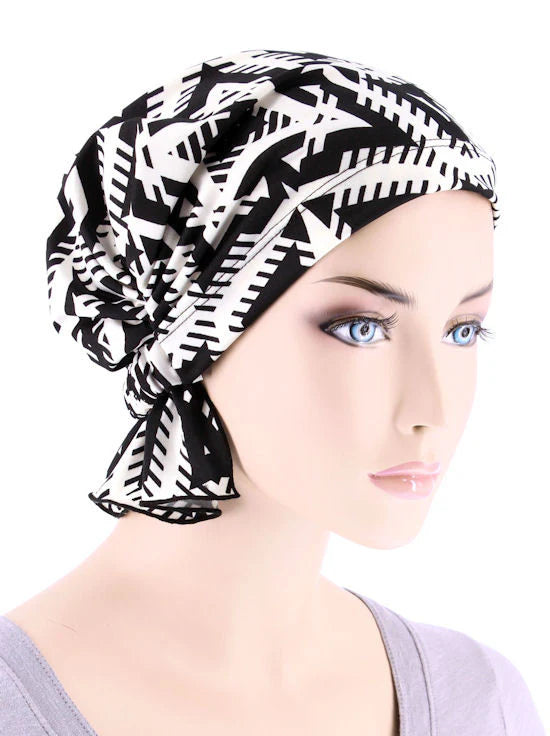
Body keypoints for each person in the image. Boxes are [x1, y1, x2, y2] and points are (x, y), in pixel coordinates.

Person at [0, 49, 545, 735]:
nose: (431, 411)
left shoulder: (481, 699)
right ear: (189, 333)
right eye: (360, 328)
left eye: (463, 331)